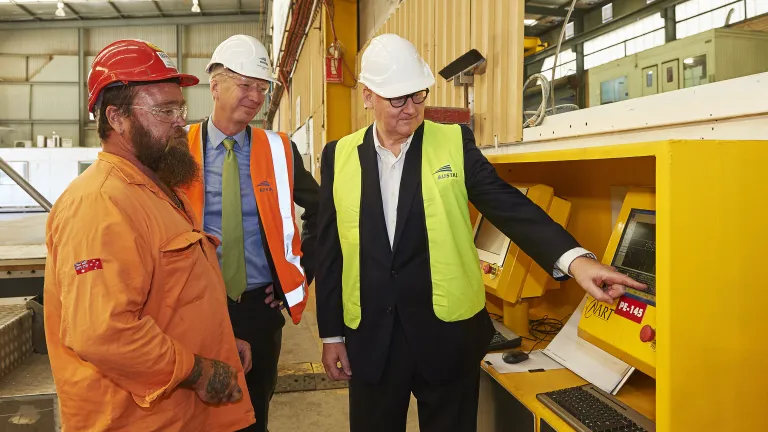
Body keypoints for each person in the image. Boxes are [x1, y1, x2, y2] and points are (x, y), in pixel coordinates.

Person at [315, 33, 647, 432]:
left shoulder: (454, 142)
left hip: (446, 336)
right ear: (368, 96)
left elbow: (507, 205)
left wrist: (575, 261)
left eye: (418, 95)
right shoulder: (338, 156)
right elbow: (330, 250)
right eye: (398, 99)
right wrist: (331, 334)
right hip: (372, 338)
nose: (411, 109)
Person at [43, 39, 256, 431]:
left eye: (181, 109)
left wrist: (220, 342)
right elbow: (102, 333)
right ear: (117, 118)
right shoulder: (100, 203)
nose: (180, 122)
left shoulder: (159, 190)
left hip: (179, 416)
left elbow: (172, 298)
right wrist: (198, 371)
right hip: (137, 420)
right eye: (164, 110)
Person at [181, 34, 319, 432]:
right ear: (215, 86)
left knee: (255, 413)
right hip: (195, 306)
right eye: (245, 85)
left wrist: (297, 273)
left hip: (260, 308)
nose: (256, 97)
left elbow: (322, 210)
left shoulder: (279, 150)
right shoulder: (178, 149)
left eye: (262, 88)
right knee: (195, 413)